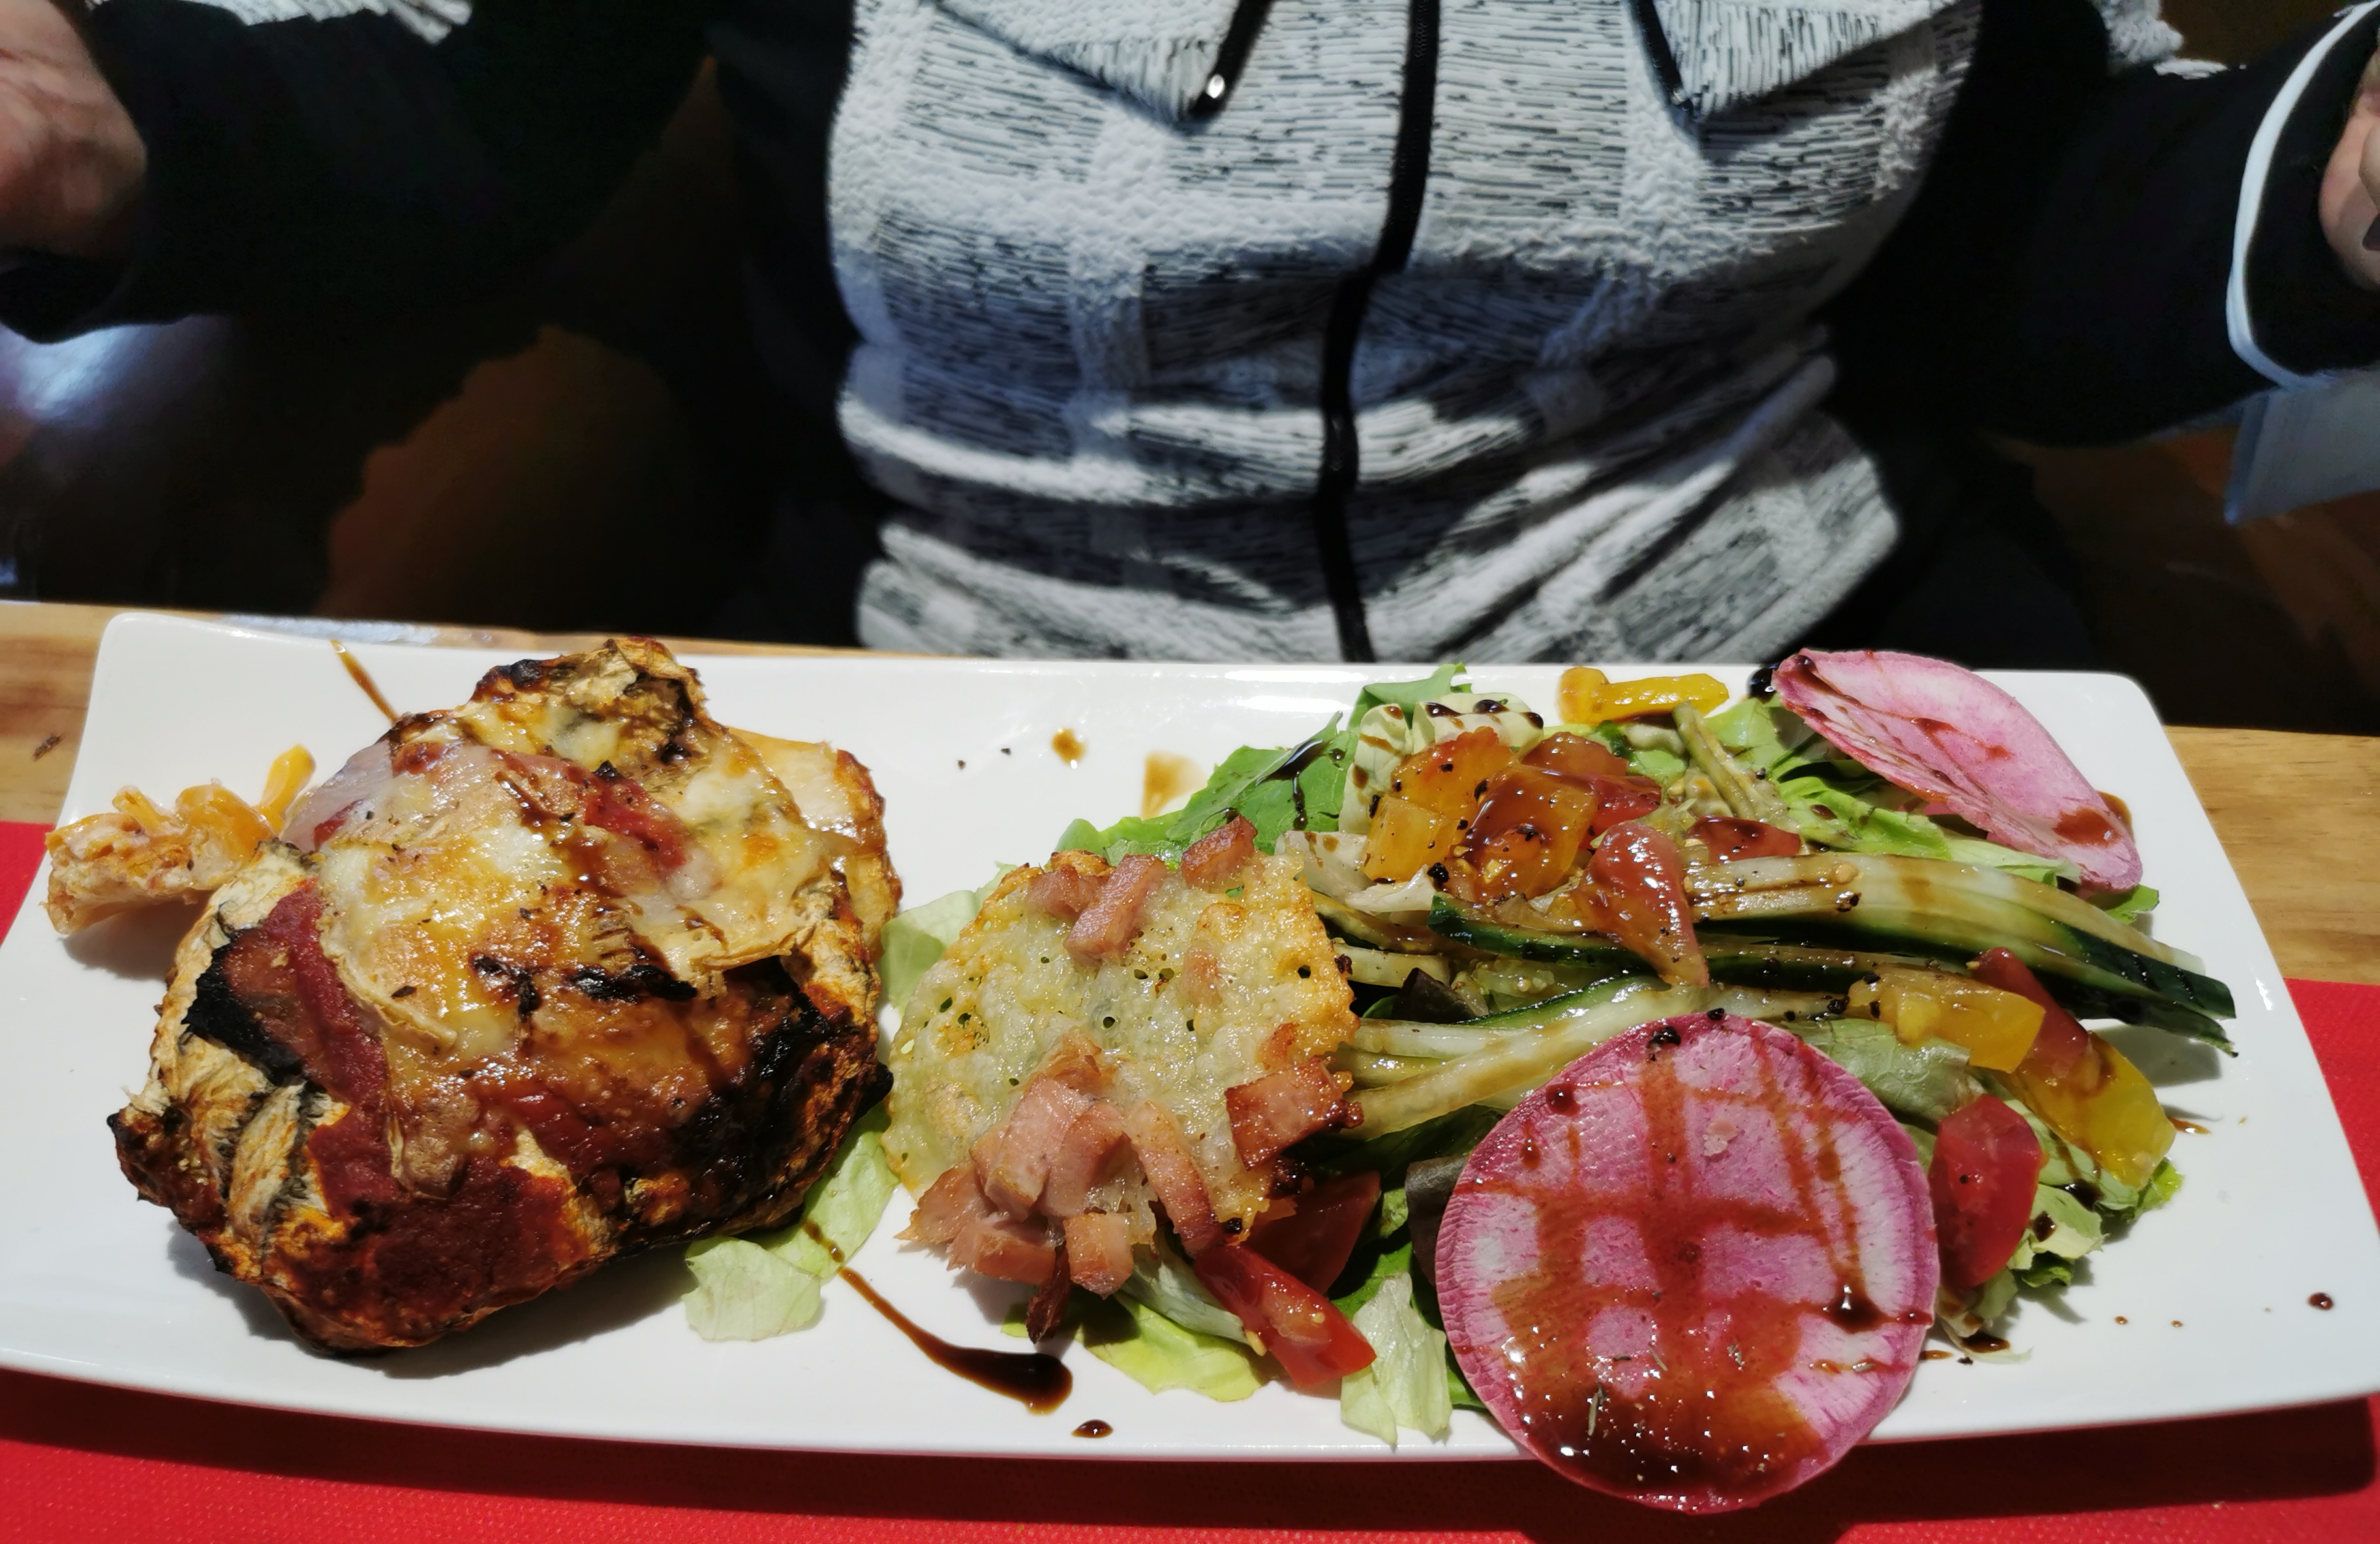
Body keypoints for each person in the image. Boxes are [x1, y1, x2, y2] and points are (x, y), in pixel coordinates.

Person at [0, 0, 2375, 665]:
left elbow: (2035, 204)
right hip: (981, 709)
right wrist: (96, 131)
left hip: (1765, 688)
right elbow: (460, 92)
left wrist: (2342, 181)